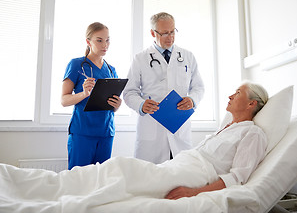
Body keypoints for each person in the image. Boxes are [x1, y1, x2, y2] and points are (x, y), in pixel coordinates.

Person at [0, 82, 268, 213]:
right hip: (183, 163)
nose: (231, 95)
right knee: (118, 167)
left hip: (196, 174)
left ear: (251, 104)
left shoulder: (252, 134)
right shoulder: (228, 127)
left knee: (122, 169)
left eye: (238, 93)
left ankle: (54, 199)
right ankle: (35, 187)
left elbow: (237, 178)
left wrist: (194, 192)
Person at [123, 12, 205, 164]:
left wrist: (192, 100)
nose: (170, 37)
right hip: (152, 130)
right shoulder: (140, 59)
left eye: (173, 31)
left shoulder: (187, 56)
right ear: (153, 33)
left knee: (180, 175)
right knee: (150, 180)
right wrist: (141, 104)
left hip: (179, 130)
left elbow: (199, 87)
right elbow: (129, 92)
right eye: (165, 33)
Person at [61, 22, 122, 170]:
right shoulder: (76, 65)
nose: (105, 45)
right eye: (99, 40)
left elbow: (109, 106)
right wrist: (84, 94)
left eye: (107, 40)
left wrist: (117, 105)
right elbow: (64, 100)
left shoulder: (111, 70)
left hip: (106, 132)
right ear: (88, 42)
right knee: (78, 180)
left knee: (100, 180)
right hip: (83, 132)